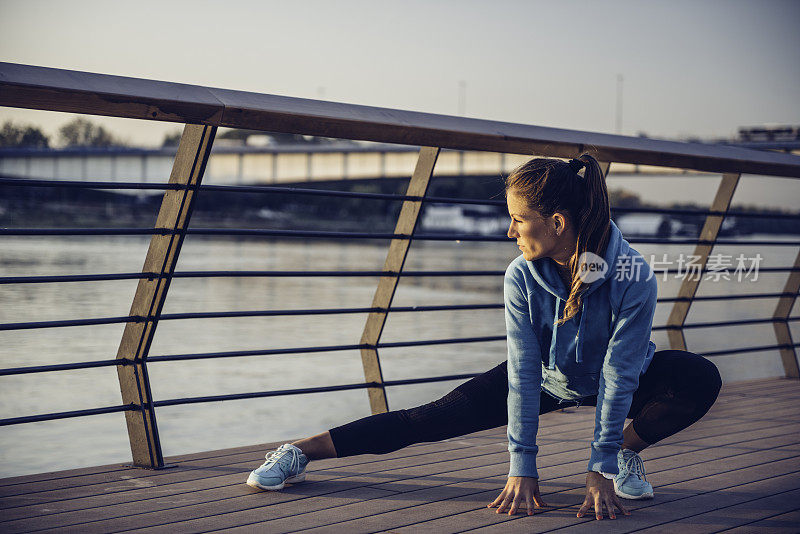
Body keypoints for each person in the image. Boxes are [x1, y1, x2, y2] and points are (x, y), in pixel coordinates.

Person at [245, 154, 722, 522]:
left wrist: (601, 470)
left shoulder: (631, 273)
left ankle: (625, 450)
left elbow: (620, 373)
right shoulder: (521, 276)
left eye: (518, 218)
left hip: (622, 378)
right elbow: (523, 372)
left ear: (556, 223)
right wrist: (523, 467)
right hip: (546, 379)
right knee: (425, 420)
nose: (509, 229)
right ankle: (299, 452)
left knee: (698, 377)